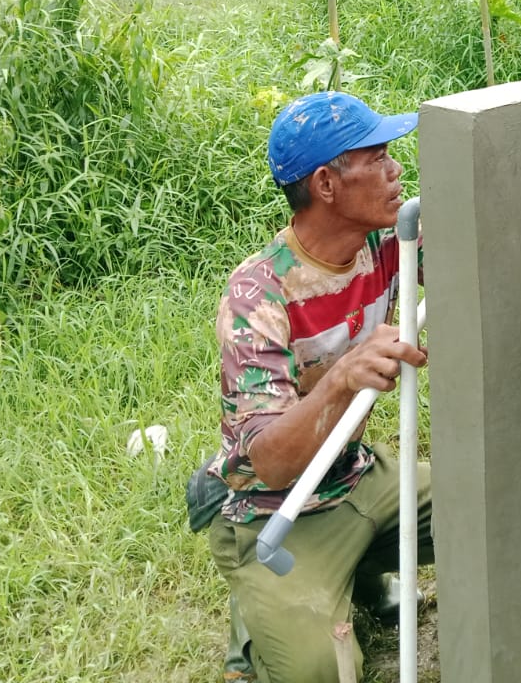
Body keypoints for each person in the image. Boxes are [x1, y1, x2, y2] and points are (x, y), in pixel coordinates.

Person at [198, 92, 431, 683]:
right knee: (319, 672)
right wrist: (342, 378)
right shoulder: (257, 296)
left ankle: (355, 573)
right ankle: (257, 621)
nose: (396, 169)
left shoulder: (389, 246)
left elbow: (479, 251)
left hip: (359, 475)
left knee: (491, 502)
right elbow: (272, 463)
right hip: (276, 513)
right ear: (326, 183)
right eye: (376, 156)